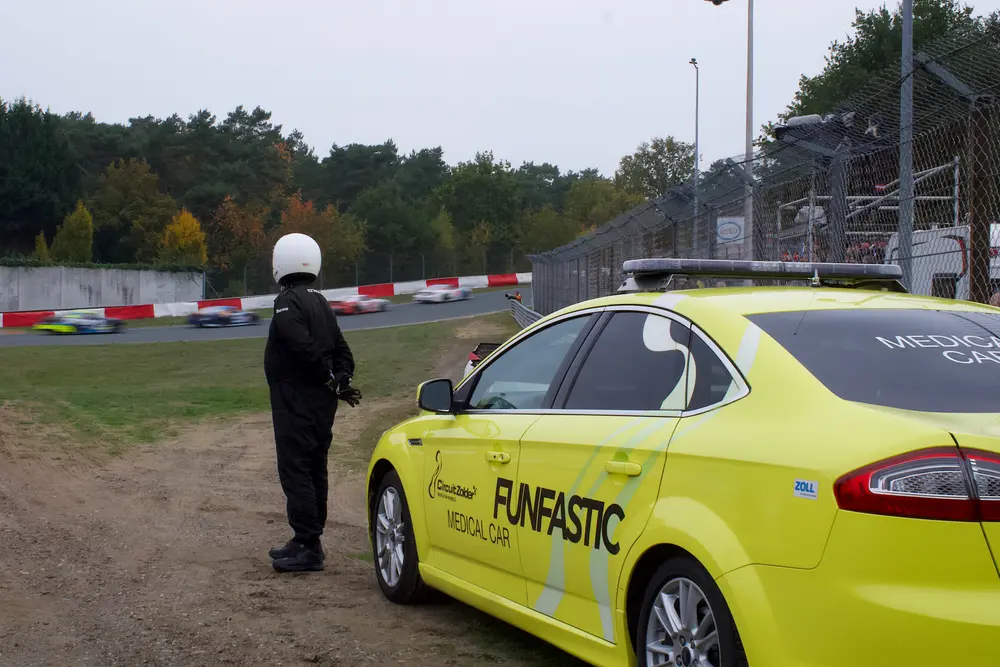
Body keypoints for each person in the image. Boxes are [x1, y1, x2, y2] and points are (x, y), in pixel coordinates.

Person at [264, 232, 362, 573]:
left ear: (280, 263)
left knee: (296, 469)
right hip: (321, 404)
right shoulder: (321, 302)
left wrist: (326, 376)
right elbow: (342, 350)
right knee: (314, 465)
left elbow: (299, 343)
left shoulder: (287, 302)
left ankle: (308, 545)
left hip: (296, 400)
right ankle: (308, 538)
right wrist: (340, 380)